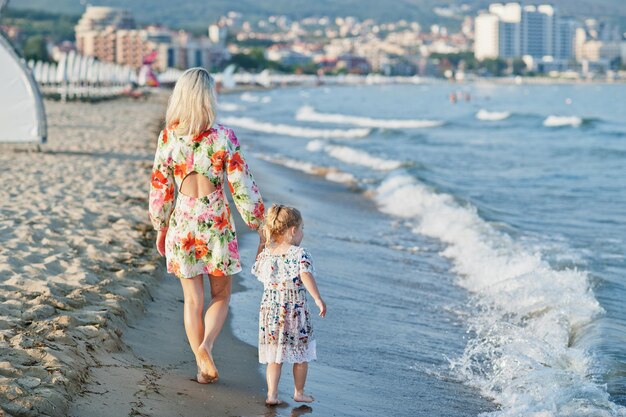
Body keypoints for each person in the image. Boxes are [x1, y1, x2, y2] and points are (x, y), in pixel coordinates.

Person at [148, 67, 265, 384]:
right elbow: (241, 186)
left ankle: (202, 365)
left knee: (193, 300)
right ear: (208, 98)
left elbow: (161, 187)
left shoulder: (169, 137)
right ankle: (207, 346)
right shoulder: (224, 137)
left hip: (183, 224)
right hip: (215, 224)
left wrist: (161, 225)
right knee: (221, 296)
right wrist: (258, 223)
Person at [252, 204, 326, 405]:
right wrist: (318, 299)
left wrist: (262, 244)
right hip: (294, 312)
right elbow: (305, 274)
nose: (302, 233)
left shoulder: (267, 253)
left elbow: (257, 268)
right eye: (301, 228)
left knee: (274, 357)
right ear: (293, 230)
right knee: (300, 355)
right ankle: (299, 392)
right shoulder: (299, 253)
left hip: (271, 312)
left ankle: (272, 395)